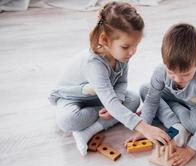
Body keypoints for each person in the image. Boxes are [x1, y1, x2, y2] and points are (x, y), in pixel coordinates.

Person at [48, 1, 170, 156]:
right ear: (105, 40)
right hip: (73, 97)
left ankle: (89, 130)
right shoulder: (93, 64)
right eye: (126, 47)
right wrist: (143, 127)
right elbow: (111, 100)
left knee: (132, 100)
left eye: (136, 45)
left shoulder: (122, 56)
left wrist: (117, 100)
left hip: (101, 96)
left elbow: (121, 82)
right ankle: (94, 120)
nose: (132, 52)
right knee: (68, 121)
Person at [127, 23, 196, 166]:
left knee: (195, 125)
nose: (177, 79)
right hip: (181, 96)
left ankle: (174, 108)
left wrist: (190, 150)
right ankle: (176, 124)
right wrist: (144, 127)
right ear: (164, 60)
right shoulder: (161, 71)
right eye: (171, 72)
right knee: (145, 89)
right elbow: (151, 99)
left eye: (185, 74)